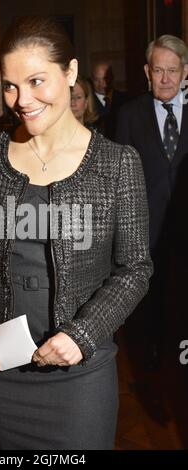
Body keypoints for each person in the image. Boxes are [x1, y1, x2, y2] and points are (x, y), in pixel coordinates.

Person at [0, 16, 152, 450]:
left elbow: (135, 268)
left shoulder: (117, 164)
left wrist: (82, 335)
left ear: (70, 72)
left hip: (80, 370)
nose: (21, 100)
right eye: (10, 85)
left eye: (36, 81)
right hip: (2, 368)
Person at [115, 35, 188, 369]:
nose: (165, 79)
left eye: (172, 71)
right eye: (158, 70)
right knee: (151, 301)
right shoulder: (129, 116)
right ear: (147, 71)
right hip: (147, 230)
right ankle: (153, 359)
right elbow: (119, 179)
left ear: (185, 72)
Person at [91, 61, 129, 139]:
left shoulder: (126, 100)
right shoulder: (87, 102)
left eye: (104, 79)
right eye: (96, 80)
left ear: (112, 78)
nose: (101, 84)